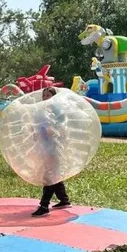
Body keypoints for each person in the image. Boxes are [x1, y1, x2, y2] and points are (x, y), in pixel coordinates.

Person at [31, 87, 72, 217]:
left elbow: (63, 128)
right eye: (44, 95)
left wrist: (53, 130)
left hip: (54, 147)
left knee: (49, 176)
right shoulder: (43, 110)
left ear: (54, 96)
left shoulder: (57, 110)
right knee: (54, 174)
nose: (45, 97)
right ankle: (64, 200)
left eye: (48, 95)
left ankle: (44, 206)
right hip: (46, 147)